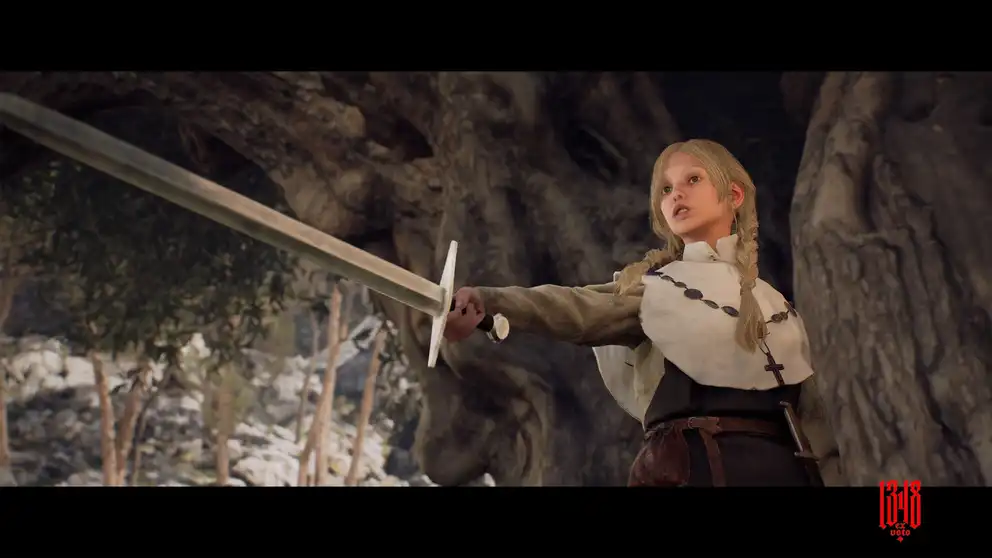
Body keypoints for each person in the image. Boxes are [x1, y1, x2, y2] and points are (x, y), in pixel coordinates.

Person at [443, 139, 839, 487]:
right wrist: (489, 302)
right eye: (666, 189)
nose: (676, 194)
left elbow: (819, 431)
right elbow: (576, 307)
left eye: (693, 179)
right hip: (690, 470)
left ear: (733, 195)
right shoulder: (659, 289)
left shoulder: (779, 308)